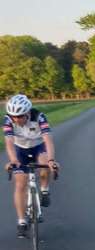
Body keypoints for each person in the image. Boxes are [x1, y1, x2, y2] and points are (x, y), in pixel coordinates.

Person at [3, 94, 58, 237]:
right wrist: (13, 160)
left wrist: (51, 160)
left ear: (27, 112)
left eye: (20, 116)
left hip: (38, 146)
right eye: (14, 116)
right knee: (20, 183)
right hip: (20, 149)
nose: (16, 119)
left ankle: (44, 190)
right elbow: (9, 142)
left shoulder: (39, 117)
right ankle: (22, 221)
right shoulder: (8, 120)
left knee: (44, 165)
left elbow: (48, 140)